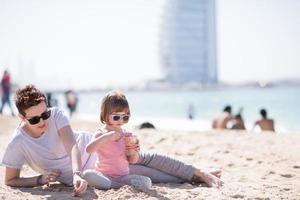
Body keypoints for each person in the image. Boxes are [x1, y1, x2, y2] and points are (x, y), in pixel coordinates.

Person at [1, 85, 222, 196]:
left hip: (99, 151)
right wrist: (39, 180)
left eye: (45, 113)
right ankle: (196, 176)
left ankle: (199, 173)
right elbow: (10, 181)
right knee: (153, 176)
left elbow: (72, 146)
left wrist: (76, 173)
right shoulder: (18, 143)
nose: (43, 121)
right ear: (21, 117)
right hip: (101, 172)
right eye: (35, 118)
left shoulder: (57, 115)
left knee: (146, 157)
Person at [83, 90, 152, 191]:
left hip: (123, 177)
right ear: (105, 114)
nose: (121, 120)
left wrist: (135, 152)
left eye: (125, 117)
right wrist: (107, 136)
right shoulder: (101, 133)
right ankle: (114, 185)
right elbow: (88, 150)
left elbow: (132, 161)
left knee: (147, 181)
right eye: (116, 117)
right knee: (87, 175)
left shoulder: (126, 135)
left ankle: (114, 185)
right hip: (104, 175)